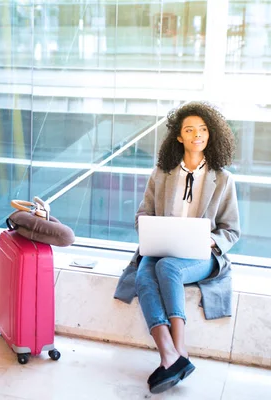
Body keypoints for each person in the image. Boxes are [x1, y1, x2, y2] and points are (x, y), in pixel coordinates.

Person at [114, 101, 241, 394]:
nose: (197, 134)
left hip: (201, 255)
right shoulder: (162, 172)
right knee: (146, 274)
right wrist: (150, 229)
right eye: (189, 130)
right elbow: (142, 214)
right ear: (179, 137)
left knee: (168, 267)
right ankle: (169, 355)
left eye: (203, 129)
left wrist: (209, 240)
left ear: (211, 134)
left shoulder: (223, 179)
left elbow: (231, 230)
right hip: (161, 246)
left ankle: (179, 351)